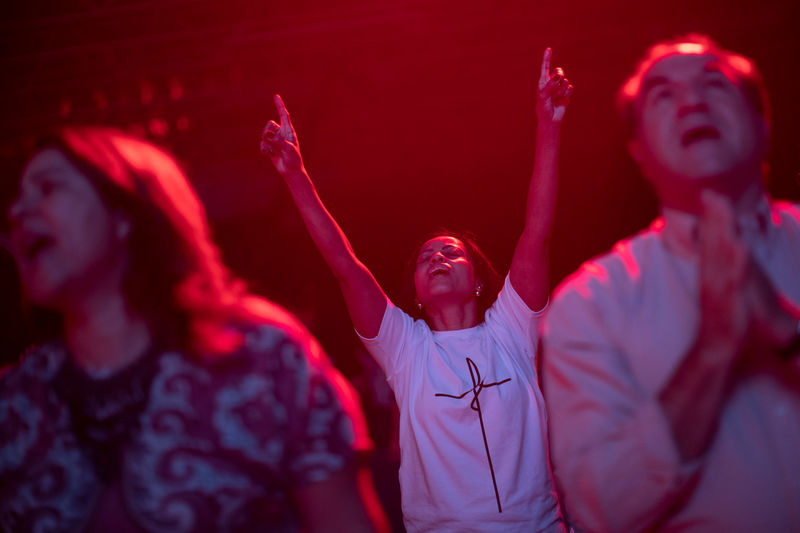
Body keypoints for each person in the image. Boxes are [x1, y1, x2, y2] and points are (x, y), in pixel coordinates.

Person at [0, 127, 389, 533]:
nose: (18, 211)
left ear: (124, 215)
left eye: (47, 188)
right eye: (17, 197)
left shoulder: (261, 357)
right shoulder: (15, 403)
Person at [262, 49, 572, 532]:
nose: (437, 260)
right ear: (417, 294)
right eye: (426, 258)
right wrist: (296, 176)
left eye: (450, 253)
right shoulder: (406, 349)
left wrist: (548, 126)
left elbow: (537, 228)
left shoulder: (512, 329)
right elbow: (345, 266)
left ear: (480, 281)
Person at [542, 35, 800, 532]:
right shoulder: (590, 304)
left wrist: (786, 331)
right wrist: (712, 350)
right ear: (638, 151)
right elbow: (600, 509)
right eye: (664, 95)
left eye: (714, 84)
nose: (692, 102)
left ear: (764, 126)